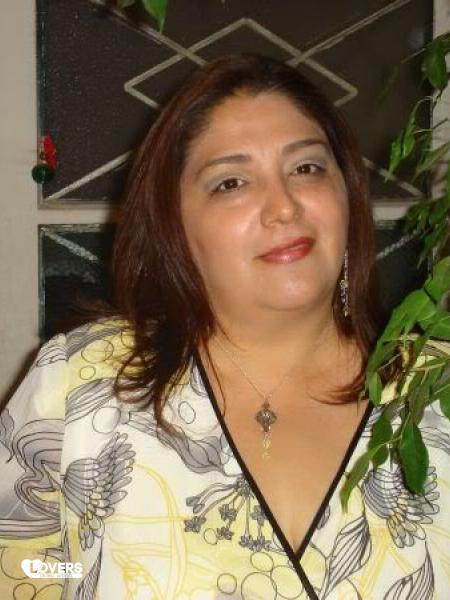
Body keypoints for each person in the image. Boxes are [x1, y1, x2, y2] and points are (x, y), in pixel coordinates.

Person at [0, 53, 449, 600]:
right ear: (174, 225)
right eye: (231, 182)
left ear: (347, 195)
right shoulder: (79, 384)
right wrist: (86, 575)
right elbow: (24, 571)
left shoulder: (437, 390)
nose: (283, 207)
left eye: (306, 168)